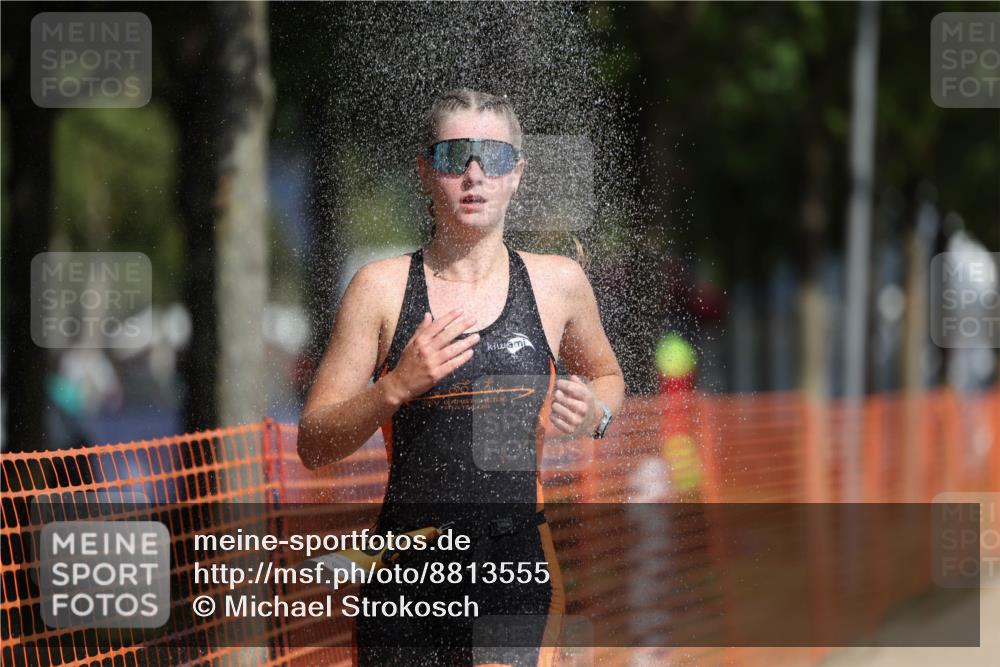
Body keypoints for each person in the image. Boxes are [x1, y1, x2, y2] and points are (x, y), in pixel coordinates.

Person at [297, 88, 625, 667]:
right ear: (425, 172)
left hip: (513, 562)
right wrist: (394, 387)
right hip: (405, 568)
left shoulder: (558, 284)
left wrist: (595, 415)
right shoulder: (380, 288)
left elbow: (606, 375)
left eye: (494, 158)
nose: (474, 174)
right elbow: (315, 444)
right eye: (454, 157)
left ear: (517, 174)